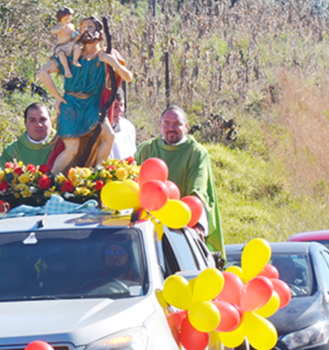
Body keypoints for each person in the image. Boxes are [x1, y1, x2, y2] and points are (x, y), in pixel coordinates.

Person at [37, 16, 133, 174]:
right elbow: (43, 72)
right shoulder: (71, 55)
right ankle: (51, 182)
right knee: (71, 149)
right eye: (83, 27)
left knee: (109, 136)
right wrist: (57, 97)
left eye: (90, 26)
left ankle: (96, 176)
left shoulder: (107, 55)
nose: (85, 30)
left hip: (92, 106)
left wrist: (112, 62)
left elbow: (128, 77)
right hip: (71, 105)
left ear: (99, 31)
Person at [135, 106, 224, 254]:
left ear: (187, 127)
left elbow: (198, 189)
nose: (171, 128)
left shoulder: (196, 153)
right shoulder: (146, 149)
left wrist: (195, 224)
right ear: (160, 126)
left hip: (181, 229)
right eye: (167, 124)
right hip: (146, 228)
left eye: (177, 124)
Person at [0, 102, 55, 169]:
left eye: (42, 119)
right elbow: (1, 176)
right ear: (25, 123)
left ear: (51, 121)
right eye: (32, 120)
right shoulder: (12, 151)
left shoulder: (63, 145)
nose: (38, 124)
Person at [50, 7, 81, 79]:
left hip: (70, 43)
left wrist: (76, 36)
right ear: (60, 19)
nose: (68, 21)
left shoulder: (71, 25)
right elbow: (52, 31)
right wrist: (60, 29)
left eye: (69, 18)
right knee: (61, 54)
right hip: (62, 46)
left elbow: (73, 33)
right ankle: (66, 68)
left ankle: (75, 60)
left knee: (77, 47)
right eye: (65, 19)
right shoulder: (59, 27)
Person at [108, 89, 136, 160]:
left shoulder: (128, 127)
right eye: (115, 106)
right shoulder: (94, 129)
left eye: (122, 105)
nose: (120, 110)